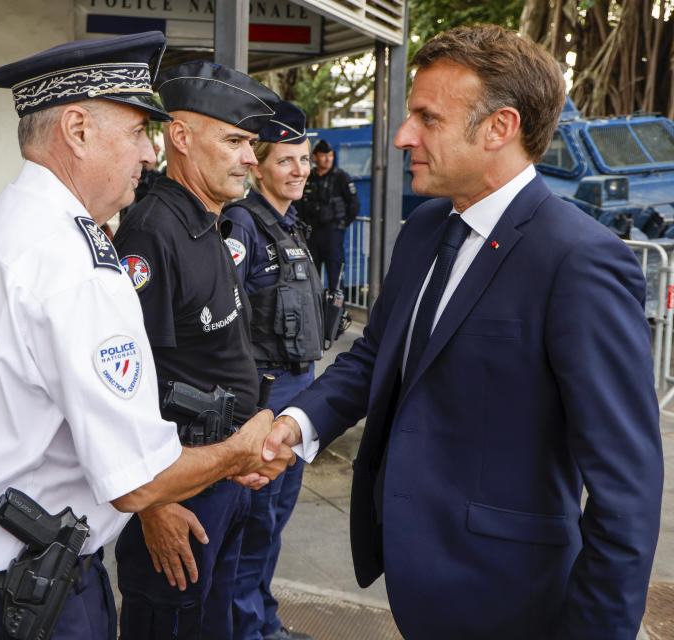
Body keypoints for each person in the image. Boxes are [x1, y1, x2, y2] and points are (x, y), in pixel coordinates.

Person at [263, 24, 664, 638]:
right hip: (417, 586)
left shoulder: (579, 259)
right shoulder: (425, 228)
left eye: (427, 118)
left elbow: (626, 488)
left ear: (499, 127)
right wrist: (296, 424)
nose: (403, 137)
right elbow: (377, 356)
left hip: (512, 602)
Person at [0, 32, 292, 640]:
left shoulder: (2, 228)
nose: (149, 153)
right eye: (139, 130)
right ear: (79, 129)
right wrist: (240, 451)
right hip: (29, 601)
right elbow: (137, 480)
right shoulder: (75, 265)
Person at [112, 60, 282, 640]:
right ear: (179, 137)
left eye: (251, 144)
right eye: (235, 141)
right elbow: (126, 386)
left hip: (223, 478)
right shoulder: (151, 232)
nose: (251, 159)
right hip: (178, 496)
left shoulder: (214, 221)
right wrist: (152, 505)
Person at [221, 100, 319, 640]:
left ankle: (264, 620)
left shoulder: (290, 224)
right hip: (266, 394)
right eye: (286, 160)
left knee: (274, 522)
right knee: (254, 523)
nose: (299, 170)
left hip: (298, 393)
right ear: (258, 166)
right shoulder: (244, 224)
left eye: (303, 159)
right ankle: (246, 628)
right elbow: (230, 321)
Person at [295, 138, 359, 290]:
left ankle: (337, 312)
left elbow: (354, 205)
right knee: (311, 278)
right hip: (312, 234)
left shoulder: (341, 177)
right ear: (315, 157)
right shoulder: (308, 177)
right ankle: (316, 313)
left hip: (332, 234)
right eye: (323, 155)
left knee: (335, 279)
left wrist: (341, 225)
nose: (328, 159)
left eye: (330, 155)